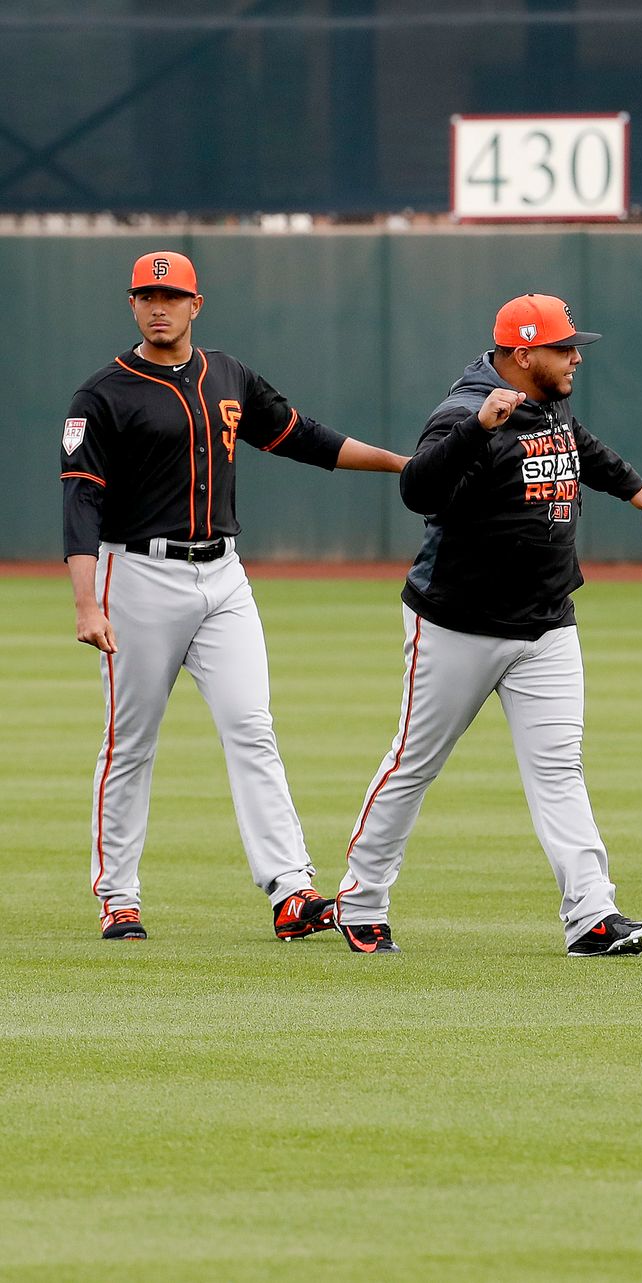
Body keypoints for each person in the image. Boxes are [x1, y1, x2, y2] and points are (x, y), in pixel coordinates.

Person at [60, 250, 408, 941]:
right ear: (131, 304)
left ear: (197, 304)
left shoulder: (229, 375)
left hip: (223, 575)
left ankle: (290, 889)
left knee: (253, 727)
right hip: (137, 575)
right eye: (146, 295)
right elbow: (79, 503)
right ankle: (118, 897)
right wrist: (87, 603)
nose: (158, 306)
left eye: (172, 295)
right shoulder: (102, 395)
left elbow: (301, 437)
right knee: (130, 741)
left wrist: (403, 464)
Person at [332, 294, 642, 956]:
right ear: (523, 355)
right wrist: (476, 431)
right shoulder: (463, 413)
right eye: (563, 348)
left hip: (546, 624)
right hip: (459, 624)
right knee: (413, 763)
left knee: (560, 768)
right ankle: (361, 899)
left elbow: (577, 444)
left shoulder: (548, 401)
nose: (576, 357)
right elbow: (418, 491)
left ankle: (592, 914)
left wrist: (633, 488)